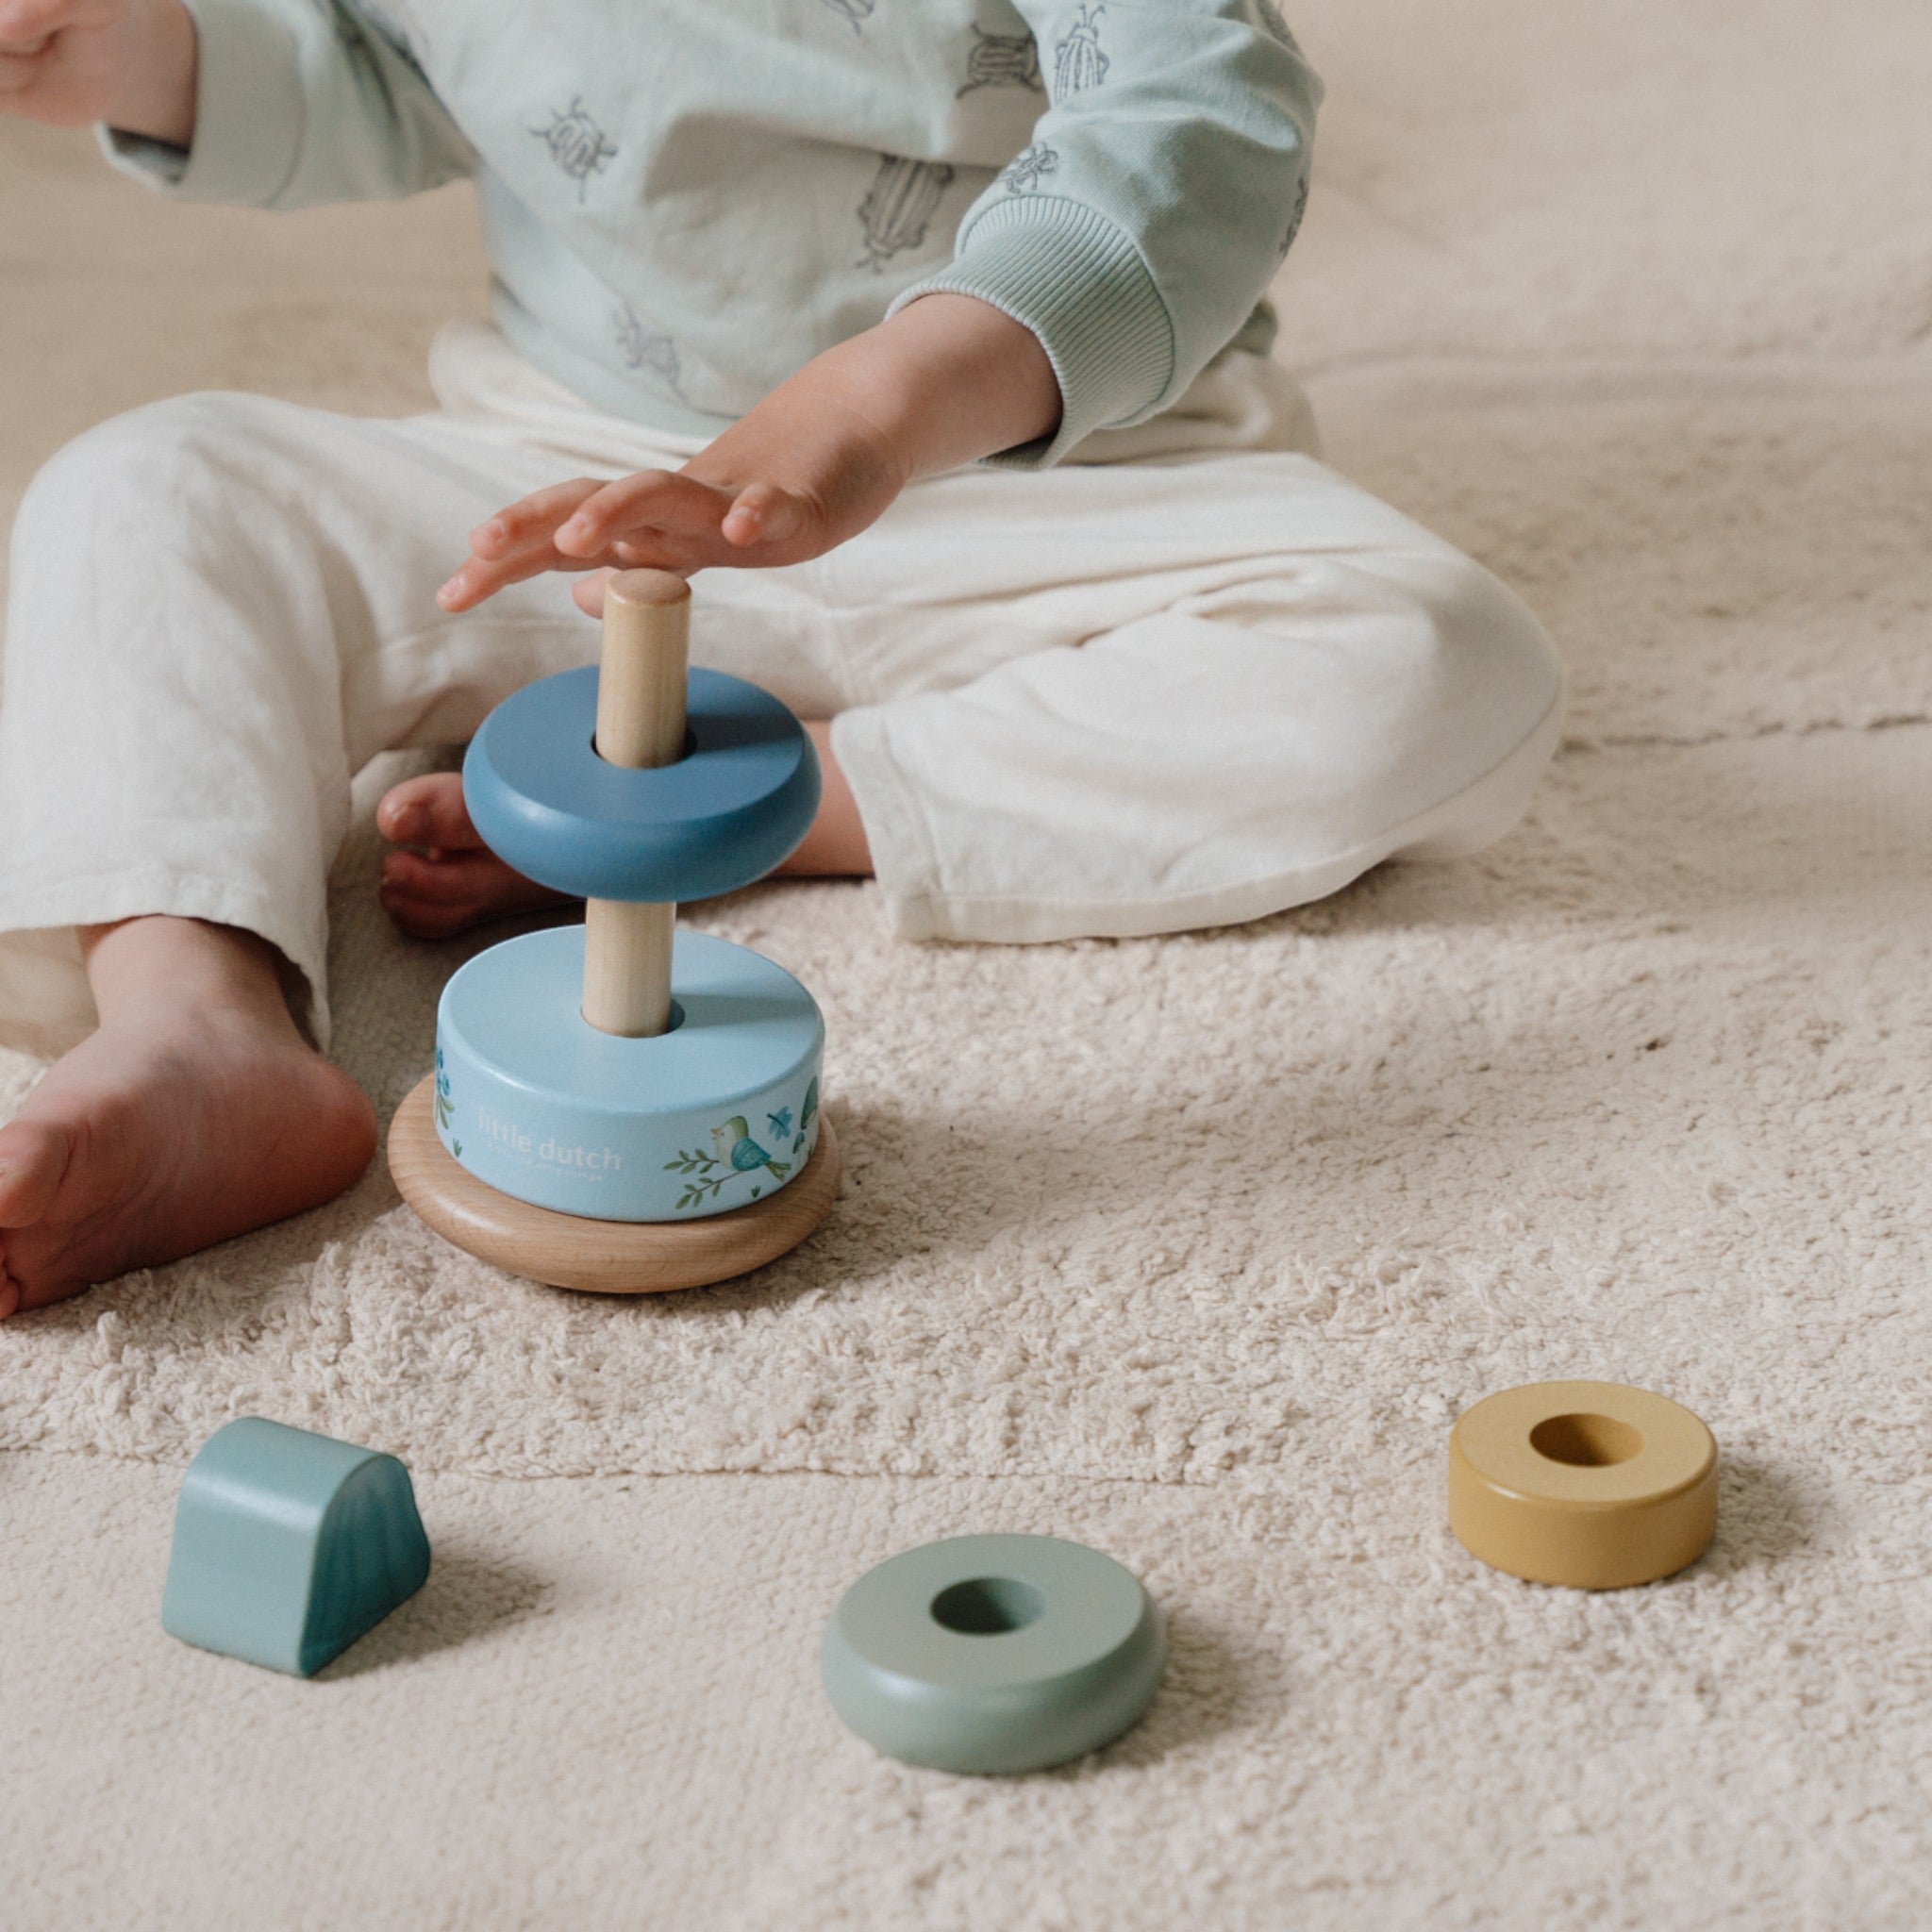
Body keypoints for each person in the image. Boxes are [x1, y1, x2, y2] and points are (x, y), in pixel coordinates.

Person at [0, 0, 1562, 1316]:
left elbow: (1200, 121)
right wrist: (152, 59)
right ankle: (197, 1021)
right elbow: (378, 66)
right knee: (147, 490)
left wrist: (873, 409)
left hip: (1053, 483)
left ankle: (765, 797)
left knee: (1429, 656)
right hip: (581, 483)